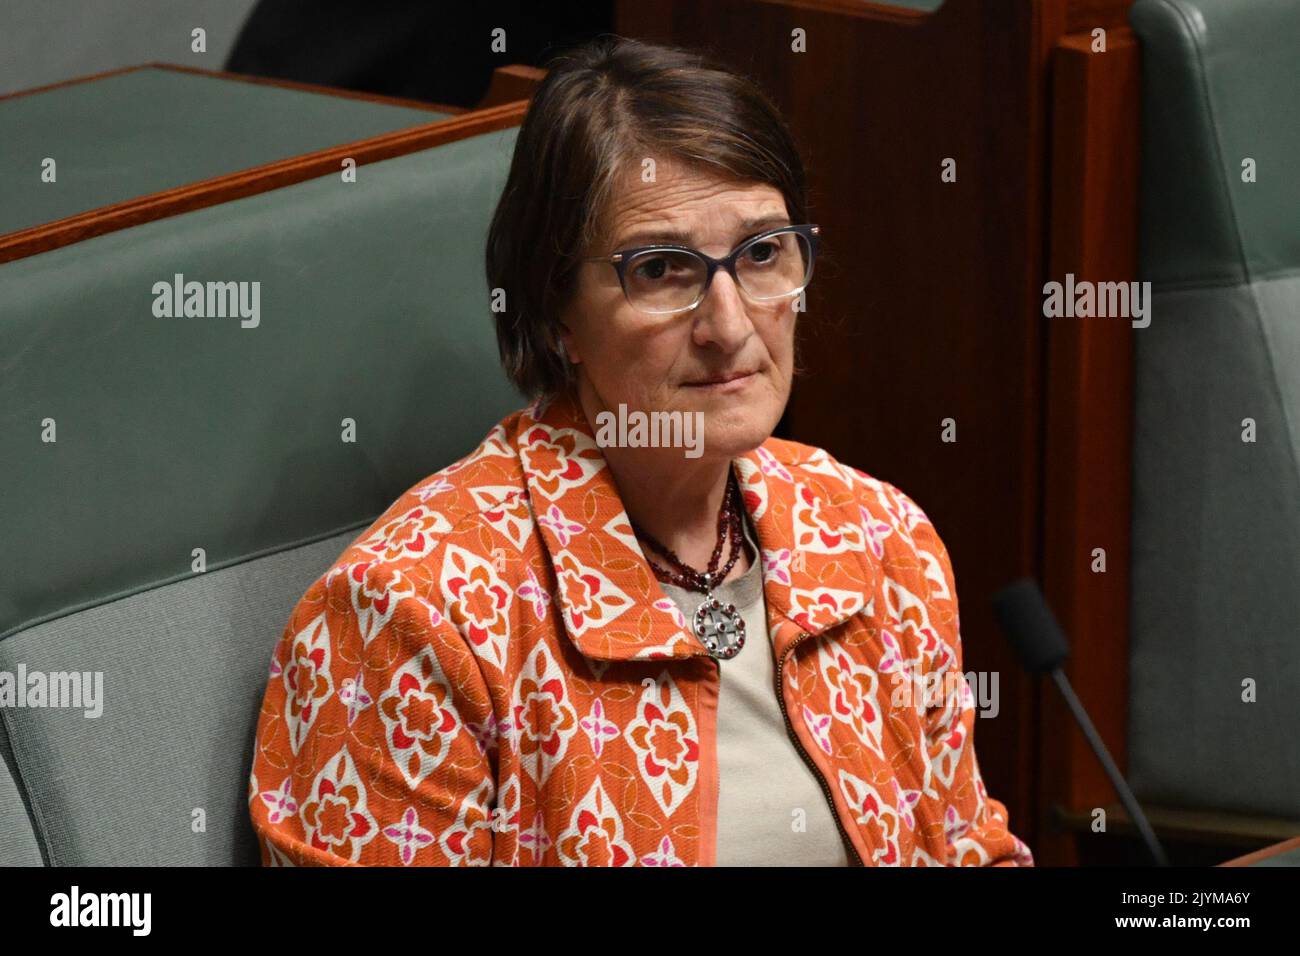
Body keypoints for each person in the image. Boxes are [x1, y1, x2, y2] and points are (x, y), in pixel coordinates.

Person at [247, 35, 1034, 867]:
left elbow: (964, 849)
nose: (729, 326)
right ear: (557, 316)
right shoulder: (413, 616)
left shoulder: (878, 538)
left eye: (763, 253)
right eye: (662, 269)